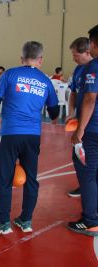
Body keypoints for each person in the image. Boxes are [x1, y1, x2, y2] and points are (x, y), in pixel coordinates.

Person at [0, 41, 59, 235]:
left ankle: (3, 223)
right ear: (41, 60)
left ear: (21, 58)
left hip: (10, 134)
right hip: (32, 137)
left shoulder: (10, 74)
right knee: (31, 179)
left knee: (3, 178)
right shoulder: (45, 81)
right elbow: (54, 113)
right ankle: (26, 220)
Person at [69, 25, 98, 236]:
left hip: (93, 130)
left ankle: (90, 220)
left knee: (87, 173)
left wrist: (79, 131)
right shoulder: (83, 69)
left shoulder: (93, 66)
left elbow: (89, 98)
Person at [66, 37, 93, 198]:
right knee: (78, 156)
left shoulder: (94, 69)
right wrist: (70, 113)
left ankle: (90, 191)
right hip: (80, 121)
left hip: (91, 123)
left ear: (87, 52)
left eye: (76, 55)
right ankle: (85, 186)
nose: (73, 58)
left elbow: (90, 99)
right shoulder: (78, 70)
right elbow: (73, 94)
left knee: (90, 159)